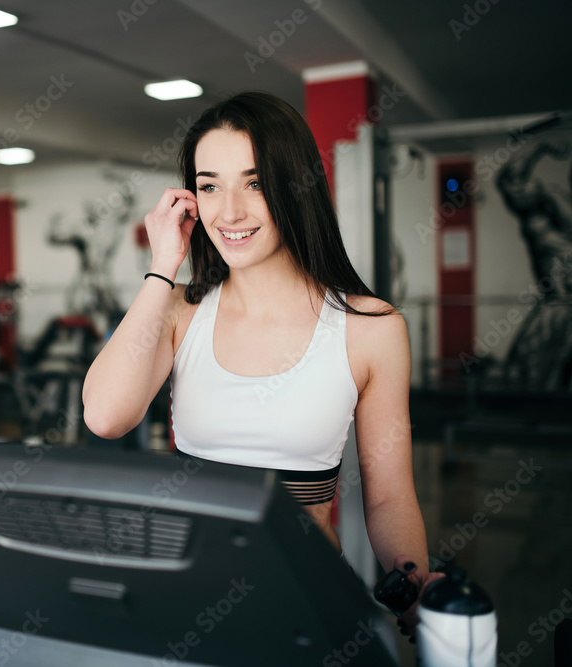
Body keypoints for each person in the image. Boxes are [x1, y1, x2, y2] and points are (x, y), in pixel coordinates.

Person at [82, 91, 442, 637]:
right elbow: (105, 417)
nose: (229, 212)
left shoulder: (371, 328)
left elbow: (389, 494)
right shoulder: (182, 310)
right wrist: (162, 267)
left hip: (307, 609)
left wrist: (411, 582)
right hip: (189, 606)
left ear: (295, 188)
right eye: (209, 186)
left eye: (254, 183)